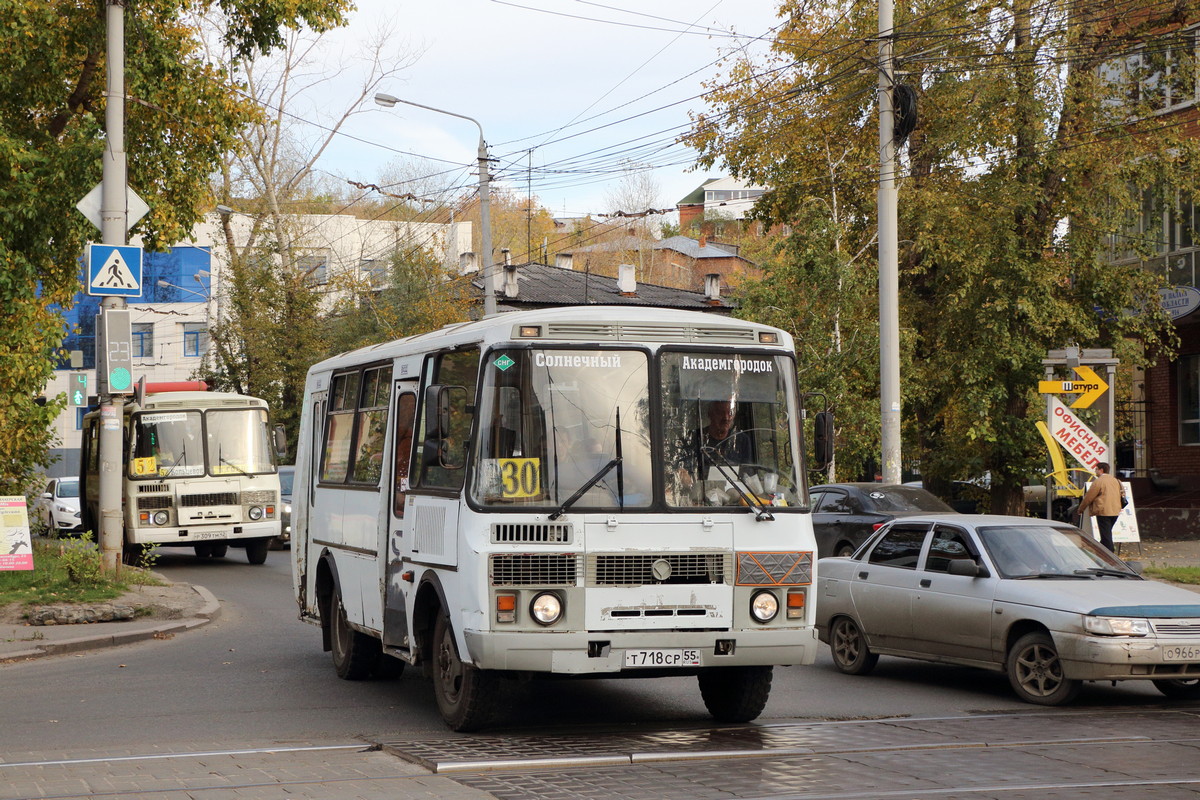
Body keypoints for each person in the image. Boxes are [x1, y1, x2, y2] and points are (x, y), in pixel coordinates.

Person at [676, 399, 752, 500]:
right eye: (720, 412)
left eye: (730, 413)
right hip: (698, 500)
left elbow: (748, 476)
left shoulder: (742, 440)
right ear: (710, 414)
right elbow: (682, 472)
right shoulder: (693, 439)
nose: (726, 418)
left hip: (734, 502)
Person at [1077, 461, 1124, 551]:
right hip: (1115, 511)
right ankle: (1100, 551)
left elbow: (1089, 497)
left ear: (1101, 470)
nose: (1095, 471)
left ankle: (1110, 554)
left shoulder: (1099, 481)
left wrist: (1081, 509)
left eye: (1096, 469)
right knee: (1106, 533)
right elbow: (1122, 494)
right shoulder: (1116, 480)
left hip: (1103, 511)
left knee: (1106, 536)